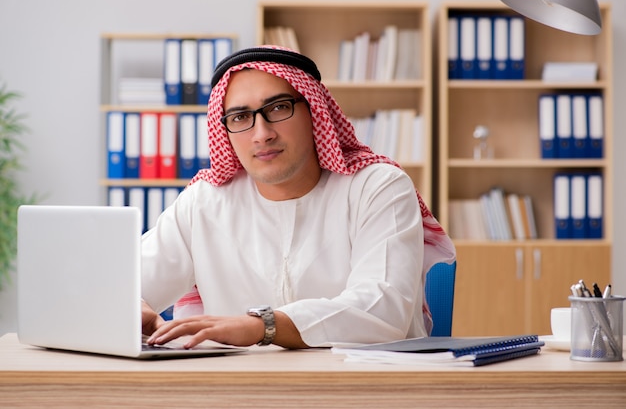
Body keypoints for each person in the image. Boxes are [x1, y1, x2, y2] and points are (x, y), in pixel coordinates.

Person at [141, 46, 455, 350]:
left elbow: (383, 310)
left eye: (278, 108)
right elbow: (124, 284)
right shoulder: (203, 203)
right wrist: (129, 307)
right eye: (239, 117)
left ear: (315, 112)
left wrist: (262, 326)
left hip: (363, 390)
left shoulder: (377, 187)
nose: (261, 133)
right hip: (241, 392)